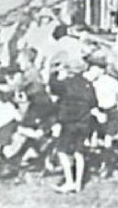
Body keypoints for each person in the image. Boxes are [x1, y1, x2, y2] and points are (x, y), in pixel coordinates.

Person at [48, 57, 98, 193]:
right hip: (84, 122)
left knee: (62, 151)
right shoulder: (88, 84)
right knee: (79, 152)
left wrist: (55, 73)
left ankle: (69, 181)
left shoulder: (66, 84)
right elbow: (94, 103)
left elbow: (53, 88)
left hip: (69, 122)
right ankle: (78, 183)